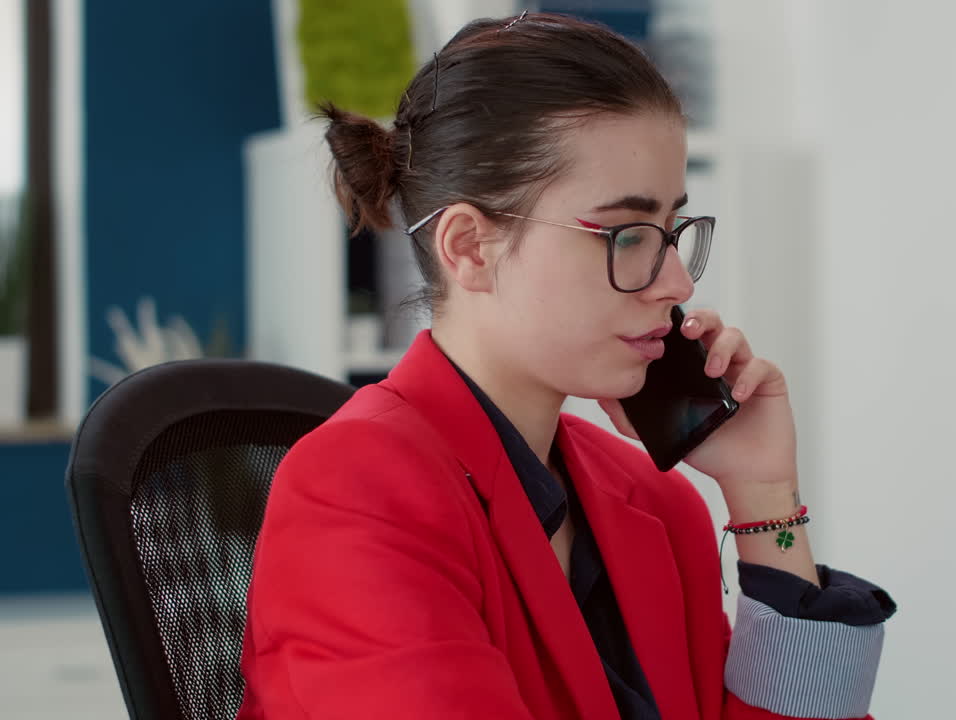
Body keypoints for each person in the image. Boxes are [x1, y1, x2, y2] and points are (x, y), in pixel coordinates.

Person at [236, 12, 895, 720]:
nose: (677, 282)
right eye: (625, 235)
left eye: (671, 230)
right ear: (469, 248)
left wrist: (763, 497)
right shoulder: (356, 492)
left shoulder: (655, 502)